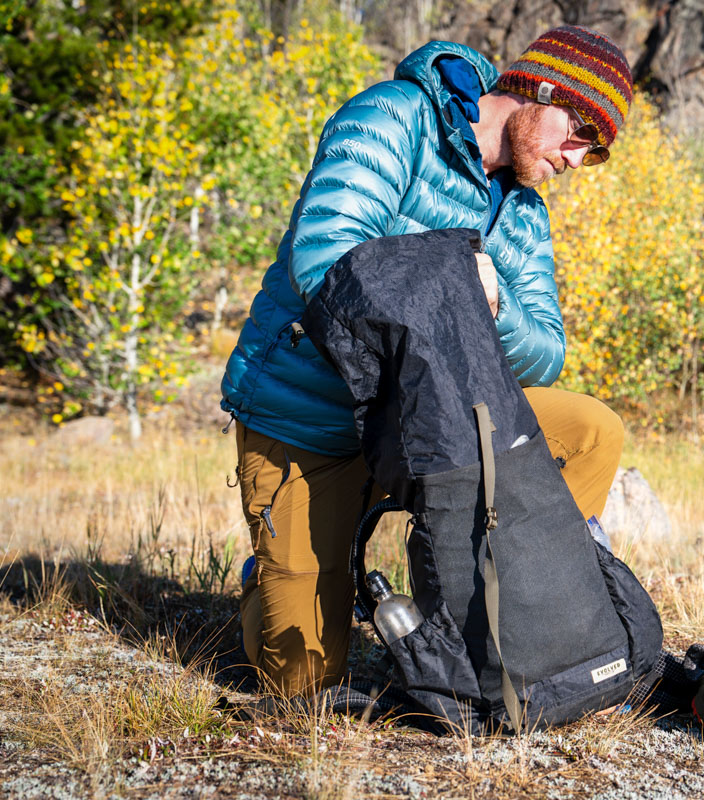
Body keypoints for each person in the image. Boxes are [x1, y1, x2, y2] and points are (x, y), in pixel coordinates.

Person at [219, 26, 634, 698]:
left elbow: (548, 353)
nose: (577, 159)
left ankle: (490, 608)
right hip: (312, 421)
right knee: (302, 686)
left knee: (589, 431)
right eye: (580, 131)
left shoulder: (524, 214)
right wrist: (453, 277)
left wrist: (493, 307)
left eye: (597, 152)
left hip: (428, 420)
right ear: (543, 89)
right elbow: (323, 260)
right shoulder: (395, 116)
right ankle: (265, 584)